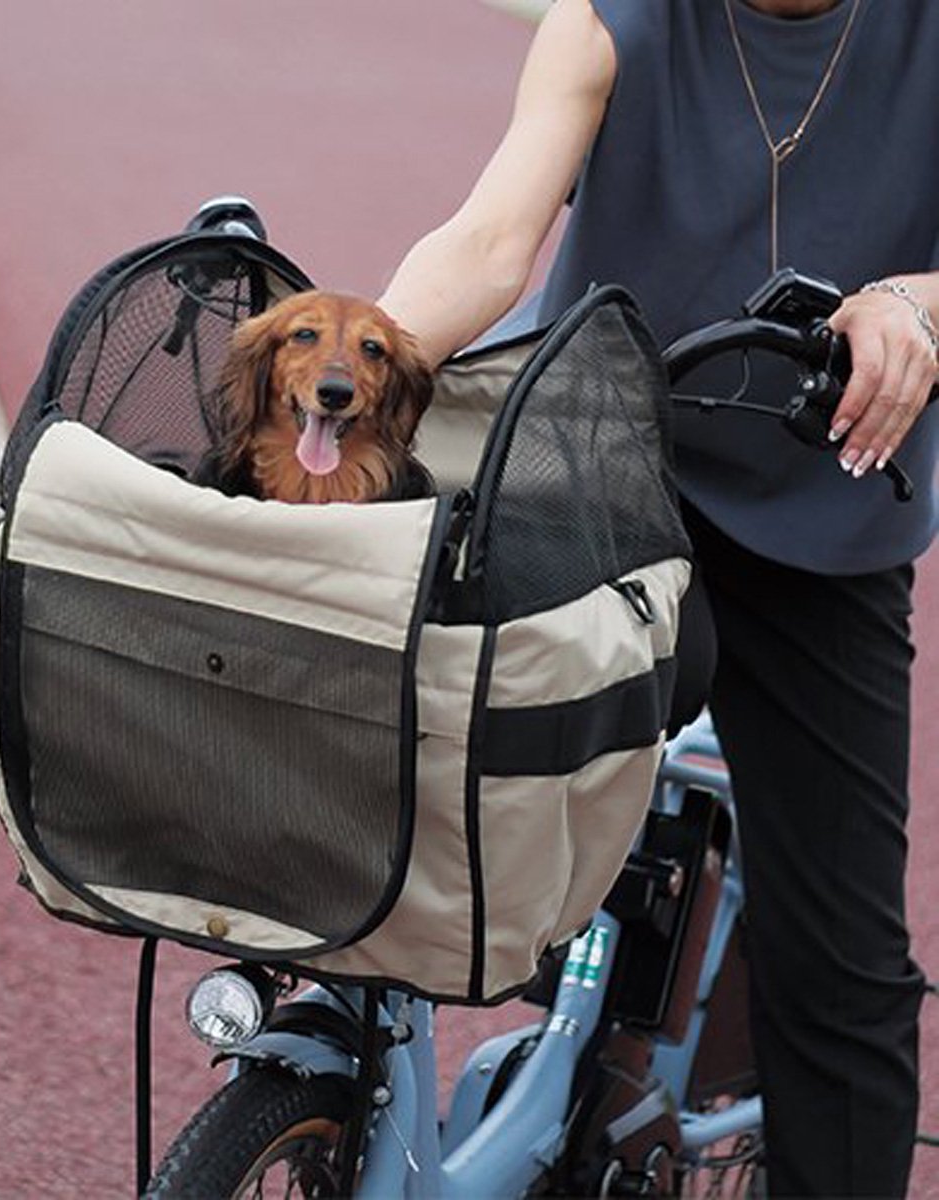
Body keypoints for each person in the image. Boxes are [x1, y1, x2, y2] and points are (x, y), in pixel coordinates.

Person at [376, 1, 939, 1196]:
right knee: (406, 784)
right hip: (600, 472)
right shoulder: (610, 20)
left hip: (823, 511)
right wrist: (352, 377)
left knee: (844, 966)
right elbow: (490, 239)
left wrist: (918, 305)